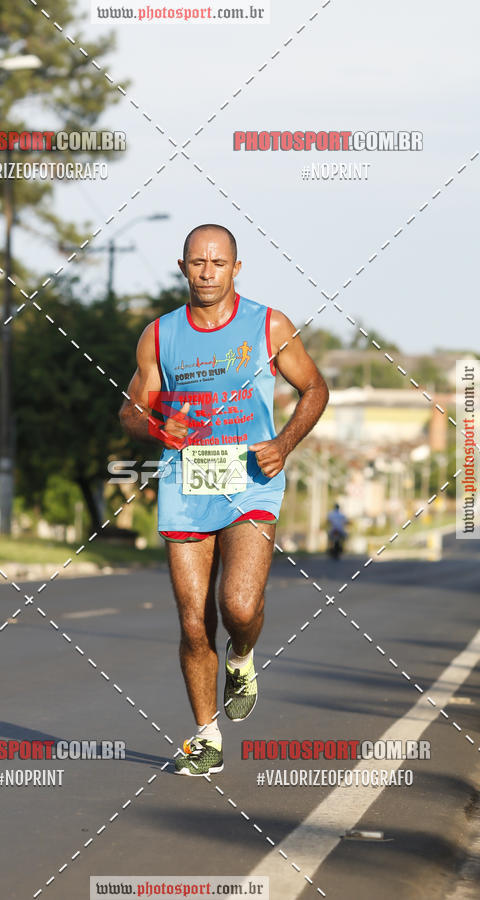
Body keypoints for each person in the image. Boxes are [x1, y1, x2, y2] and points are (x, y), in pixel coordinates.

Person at [119, 224, 328, 776]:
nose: (206, 272)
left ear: (236, 268)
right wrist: (160, 426)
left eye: (218, 262)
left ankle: (241, 656)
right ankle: (206, 735)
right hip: (186, 483)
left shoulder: (268, 324)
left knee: (238, 606)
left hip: (251, 480)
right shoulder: (159, 335)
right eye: (197, 262)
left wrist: (283, 443)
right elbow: (130, 411)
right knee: (193, 621)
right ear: (182, 267)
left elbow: (315, 388)